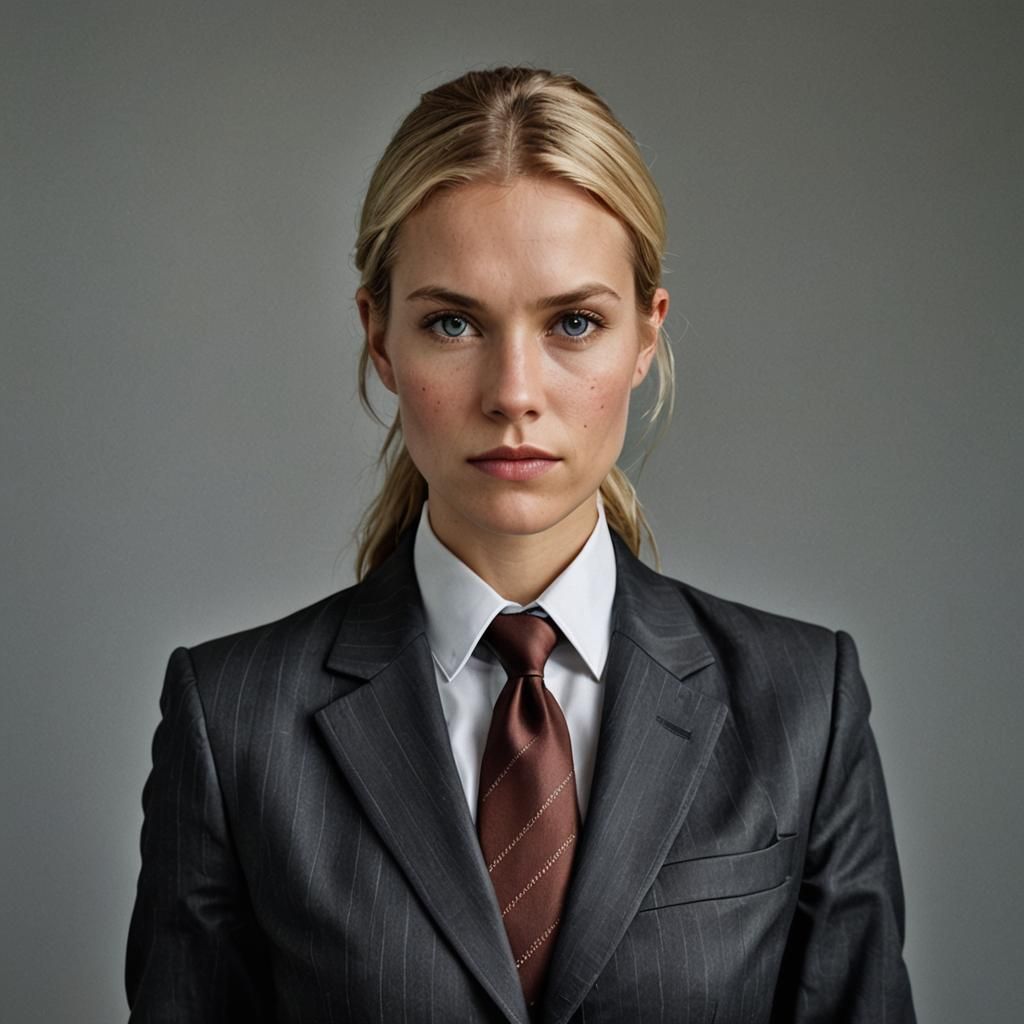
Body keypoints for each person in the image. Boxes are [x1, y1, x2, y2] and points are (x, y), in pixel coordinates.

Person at [126, 67, 916, 1023]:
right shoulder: (234, 721)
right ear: (380, 338)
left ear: (645, 337)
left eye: (574, 322)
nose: (513, 393)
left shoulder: (803, 705)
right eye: (452, 323)